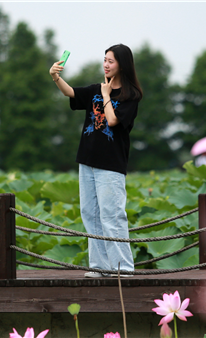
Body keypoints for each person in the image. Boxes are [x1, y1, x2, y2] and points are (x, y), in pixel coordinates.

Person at [49, 44, 142, 278]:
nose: (106, 65)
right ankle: (99, 267)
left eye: (110, 61)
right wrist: (56, 77)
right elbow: (70, 93)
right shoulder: (95, 89)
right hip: (87, 161)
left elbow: (112, 120)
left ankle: (123, 269)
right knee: (90, 214)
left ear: (122, 64)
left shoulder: (131, 96)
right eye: (104, 60)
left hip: (111, 165)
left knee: (112, 215)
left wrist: (106, 96)